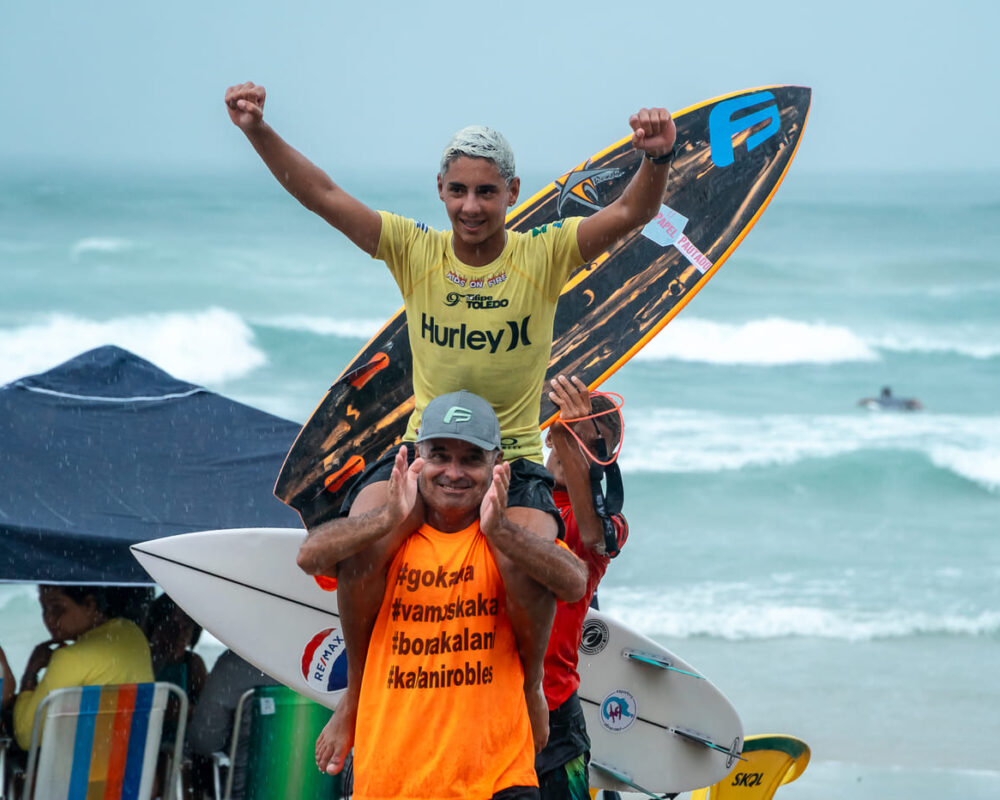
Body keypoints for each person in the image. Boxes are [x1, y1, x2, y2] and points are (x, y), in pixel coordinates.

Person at [226, 80, 676, 755]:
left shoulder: (543, 254)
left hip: (513, 453)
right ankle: (355, 694)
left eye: (487, 192)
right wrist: (258, 130)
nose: (472, 206)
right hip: (425, 451)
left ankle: (527, 688)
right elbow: (322, 196)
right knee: (359, 544)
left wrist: (658, 160)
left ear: (513, 193)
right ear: (440, 191)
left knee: (532, 559)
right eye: (459, 190)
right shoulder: (416, 251)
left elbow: (628, 216)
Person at [299, 390, 587, 799]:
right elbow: (309, 556)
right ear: (418, 455)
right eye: (440, 456)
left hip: (498, 780)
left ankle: (532, 687)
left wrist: (502, 531)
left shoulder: (507, 541)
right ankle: (353, 699)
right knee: (360, 561)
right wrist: (387, 517)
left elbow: (574, 582)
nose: (454, 472)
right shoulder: (387, 542)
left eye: (471, 458)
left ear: (497, 463)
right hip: (391, 781)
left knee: (524, 570)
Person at [536, 375, 628, 800]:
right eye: (563, 433)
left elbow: (591, 537)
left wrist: (574, 441)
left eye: (585, 439)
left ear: (602, 457)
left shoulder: (609, 525)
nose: (568, 444)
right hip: (487, 697)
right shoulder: (516, 500)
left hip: (555, 709)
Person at [12, 585, 154, 751]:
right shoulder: (134, 635)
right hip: (127, 770)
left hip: (75, 774)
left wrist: (31, 671)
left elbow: (26, 736)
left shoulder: (68, 657)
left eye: (57, 609)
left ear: (90, 605)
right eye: (44, 610)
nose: (49, 619)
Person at [187, 649, 278, 800]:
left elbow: (204, 742)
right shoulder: (318, 671)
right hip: (311, 789)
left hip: (245, 791)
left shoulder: (235, 662)